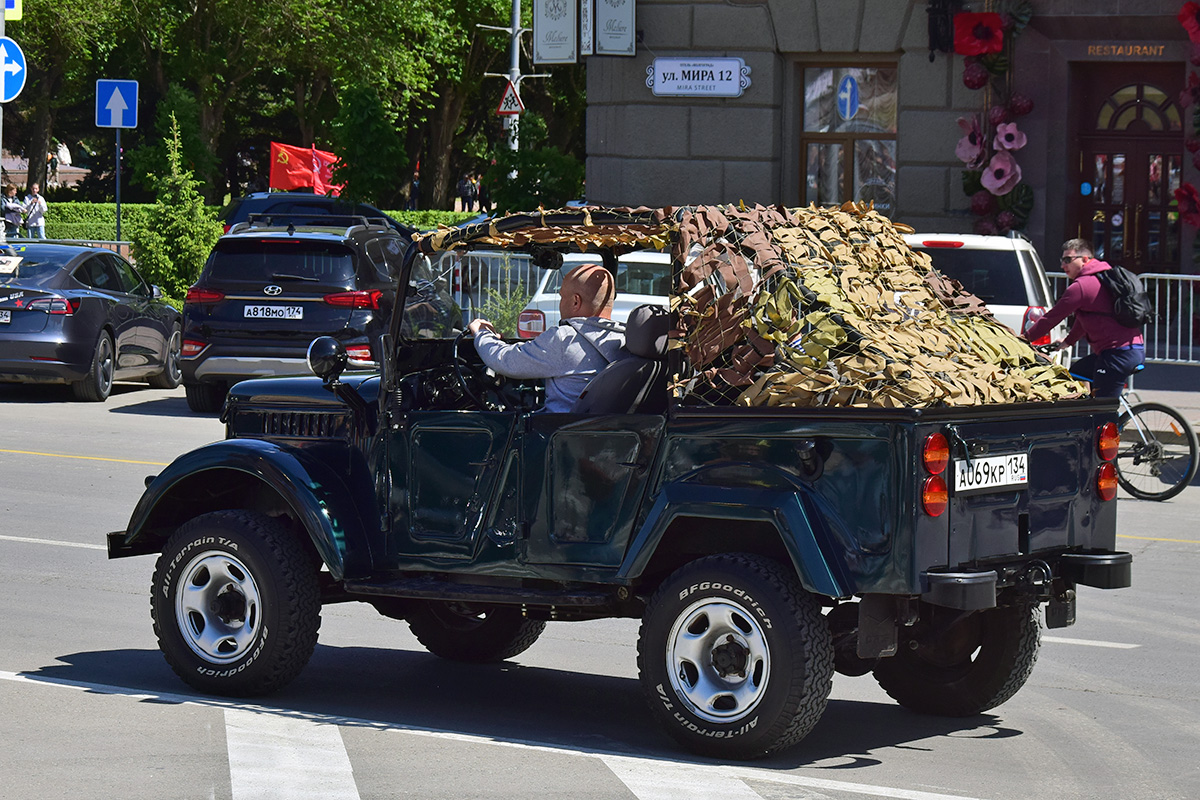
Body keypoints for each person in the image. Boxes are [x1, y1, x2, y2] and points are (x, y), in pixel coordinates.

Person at [467, 262, 625, 412]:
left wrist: (482, 333)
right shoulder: (622, 339)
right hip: (602, 431)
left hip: (558, 432)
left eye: (562, 297)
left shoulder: (565, 339)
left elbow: (505, 360)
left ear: (576, 302)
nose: (560, 303)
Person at [1022, 238, 1144, 398]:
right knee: (1076, 373)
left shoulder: (1081, 286)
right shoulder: (1104, 277)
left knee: (1103, 409)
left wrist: (1025, 338)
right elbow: (1085, 318)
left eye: (1067, 260)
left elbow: (1052, 318)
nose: (1062, 265)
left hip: (1117, 355)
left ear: (1085, 259)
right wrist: (1068, 341)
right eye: (1061, 260)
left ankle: (1105, 420)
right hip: (1130, 350)